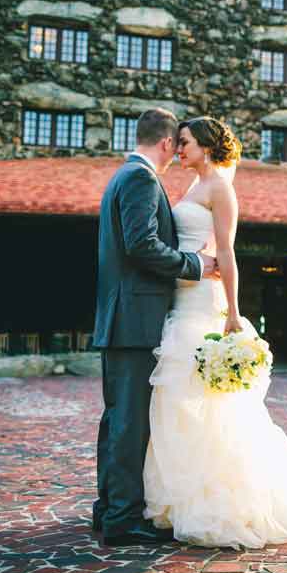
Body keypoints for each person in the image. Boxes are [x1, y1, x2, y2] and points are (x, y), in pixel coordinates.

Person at [142, 116, 287, 549]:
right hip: (181, 300)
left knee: (211, 404)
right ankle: (184, 496)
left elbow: (227, 252)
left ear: (207, 146)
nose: (180, 149)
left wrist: (233, 313)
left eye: (187, 142)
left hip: (204, 303)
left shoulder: (220, 189)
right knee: (178, 401)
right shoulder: (191, 186)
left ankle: (226, 501)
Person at [91, 108, 219, 547]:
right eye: (178, 144)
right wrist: (195, 264)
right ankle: (123, 520)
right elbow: (142, 245)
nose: (179, 151)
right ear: (166, 143)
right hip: (136, 321)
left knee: (117, 420)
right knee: (129, 424)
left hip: (124, 319)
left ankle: (108, 509)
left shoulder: (125, 175)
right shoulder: (141, 179)